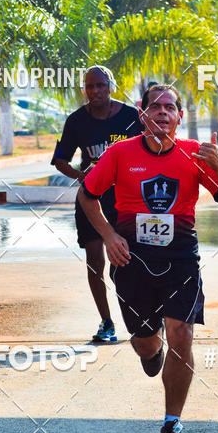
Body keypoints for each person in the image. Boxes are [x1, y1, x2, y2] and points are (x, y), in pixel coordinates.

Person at [77, 84, 218, 433]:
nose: (164, 113)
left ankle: (172, 423)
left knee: (181, 333)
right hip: (131, 260)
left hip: (181, 260)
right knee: (146, 343)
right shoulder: (121, 153)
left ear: (180, 118)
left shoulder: (194, 155)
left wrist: (217, 164)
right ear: (144, 115)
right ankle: (150, 351)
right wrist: (108, 236)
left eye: (171, 108)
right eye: (156, 107)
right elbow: (87, 194)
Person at [52, 66, 142, 342]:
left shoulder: (131, 117)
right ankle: (106, 322)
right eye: (90, 87)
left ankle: (140, 316)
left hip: (127, 200)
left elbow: (151, 146)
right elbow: (59, 160)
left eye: (100, 85)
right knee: (95, 262)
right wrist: (82, 176)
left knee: (129, 262)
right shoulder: (77, 121)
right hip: (92, 200)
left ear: (110, 86)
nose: (95, 91)